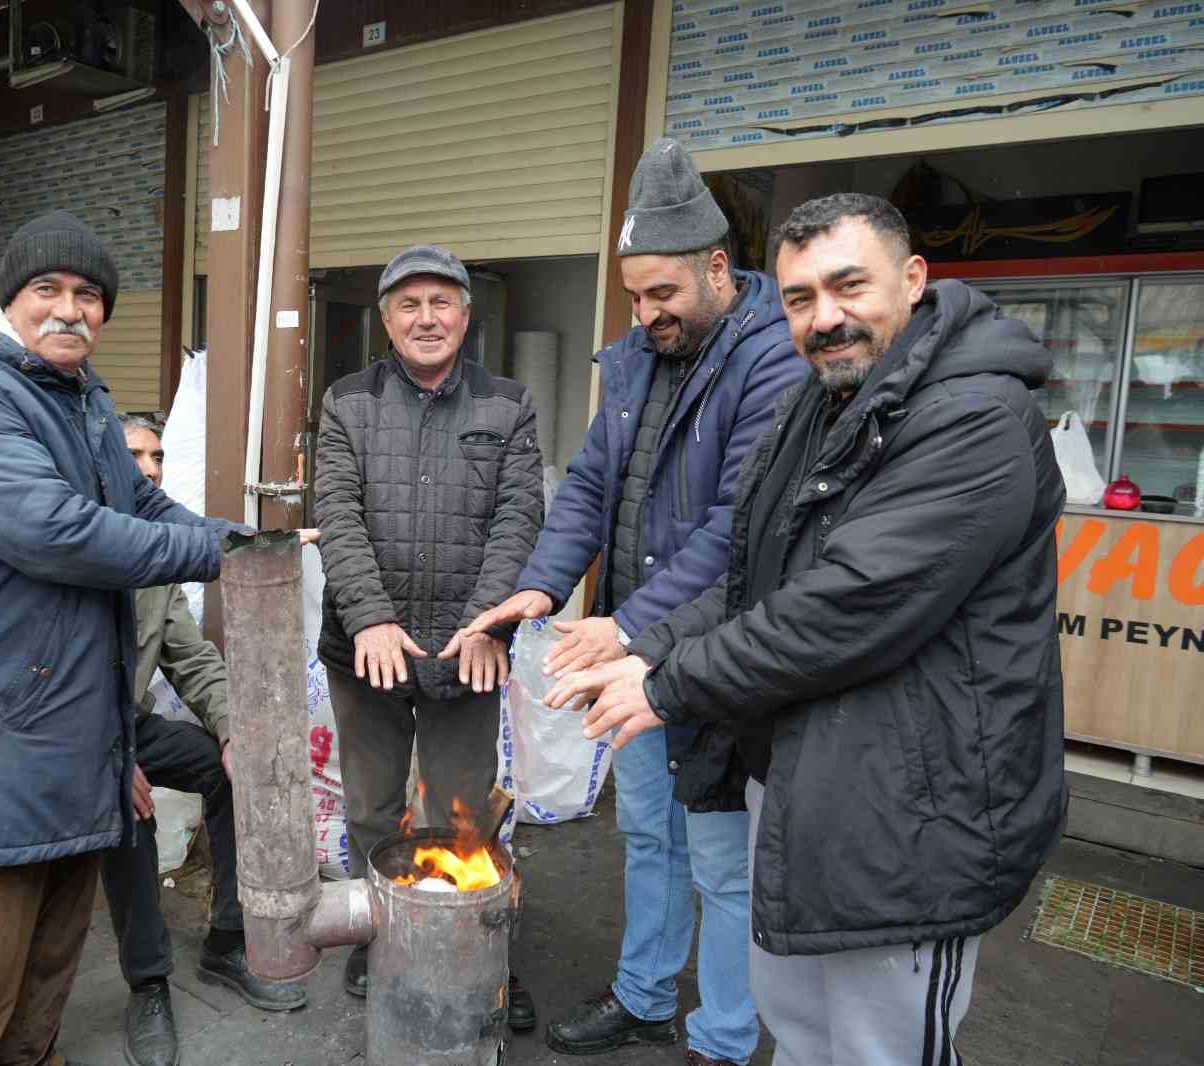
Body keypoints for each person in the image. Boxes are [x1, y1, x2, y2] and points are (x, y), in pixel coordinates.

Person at [548, 193, 1067, 1066]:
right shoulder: (819, 405)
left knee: (881, 1051)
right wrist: (645, 643)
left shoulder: (975, 417)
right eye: (799, 298)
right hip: (810, 786)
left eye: (847, 286)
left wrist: (667, 681)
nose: (824, 318)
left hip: (915, 821)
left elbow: (845, 604)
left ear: (913, 279)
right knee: (798, 1033)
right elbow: (752, 571)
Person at [447, 137, 804, 1066]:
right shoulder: (640, 359)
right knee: (648, 833)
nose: (646, 314)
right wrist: (539, 583)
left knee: (723, 864)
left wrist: (635, 623)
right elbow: (590, 490)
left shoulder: (775, 363)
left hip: (719, 651)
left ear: (717, 269)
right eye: (635, 296)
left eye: (663, 296)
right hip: (631, 649)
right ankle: (646, 995)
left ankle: (723, 1039)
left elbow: (738, 530)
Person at [0, 210, 246, 1066]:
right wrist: (210, 551)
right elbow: (59, 532)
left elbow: (144, 506)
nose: (69, 310)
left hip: (73, 742)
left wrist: (241, 540)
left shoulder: (80, 397)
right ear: (11, 302)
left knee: (41, 993)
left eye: (89, 295)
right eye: (46, 290)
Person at [313, 243, 545, 1029]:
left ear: (466, 314)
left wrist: (488, 623)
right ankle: (379, 933)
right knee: (373, 810)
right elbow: (338, 517)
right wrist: (370, 616)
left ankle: (479, 942)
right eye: (407, 305)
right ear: (385, 321)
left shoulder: (509, 404)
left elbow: (519, 521)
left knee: (464, 810)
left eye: (440, 302)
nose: (426, 318)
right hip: (365, 649)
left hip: (465, 650)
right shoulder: (346, 401)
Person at [100, 413, 308, 1066]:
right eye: (135, 455)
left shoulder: (159, 559)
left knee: (226, 771)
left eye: (158, 455)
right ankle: (149, 981)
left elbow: (191, 659)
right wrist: (108, 755)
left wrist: (231, 730)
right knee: (130, 811)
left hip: (129, 726)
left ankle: (227, 937)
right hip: (72, 732)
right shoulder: (79, 545)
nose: (153, 468)